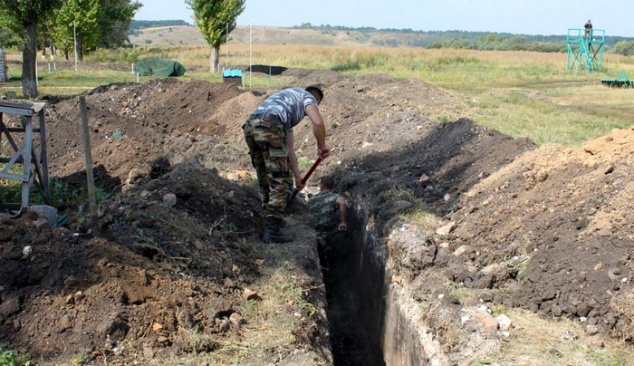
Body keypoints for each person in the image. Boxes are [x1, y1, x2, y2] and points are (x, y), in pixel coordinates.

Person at [243, 86, 330, 243]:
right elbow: (318, 122)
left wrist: (298, 177)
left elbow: (289, 150)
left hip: (250, 125)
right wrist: (321, 146)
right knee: (281, 181)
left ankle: (269, 219)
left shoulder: (286, 103)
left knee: (264, 175)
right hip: (270, 124)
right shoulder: (308, 98)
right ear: (317, 101)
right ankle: (272, 231)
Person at [309, 175, 348, 240]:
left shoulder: (312, 198)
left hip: (313, 229)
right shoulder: (335, 196)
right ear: (333, 186)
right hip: (327, 228)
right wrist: (343, 222)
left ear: (321, 185)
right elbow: (342, 203)